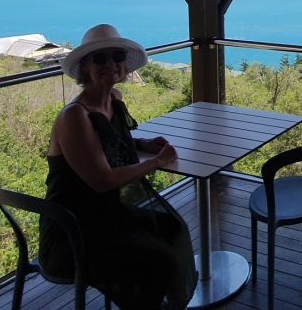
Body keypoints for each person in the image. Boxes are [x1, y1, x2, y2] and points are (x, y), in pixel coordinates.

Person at [39, 24, 198, 309]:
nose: (111, 64)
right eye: (100, 58)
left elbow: (109, 141)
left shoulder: (114, 99)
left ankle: (167, 303)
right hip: (77, 228)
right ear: (85, 67)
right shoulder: (75, 116)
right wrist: (157, 163)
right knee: (155, 258)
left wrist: (144, 143)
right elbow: (102, 180)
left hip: (112, 213)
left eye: (117, 56)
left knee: (173, 228)